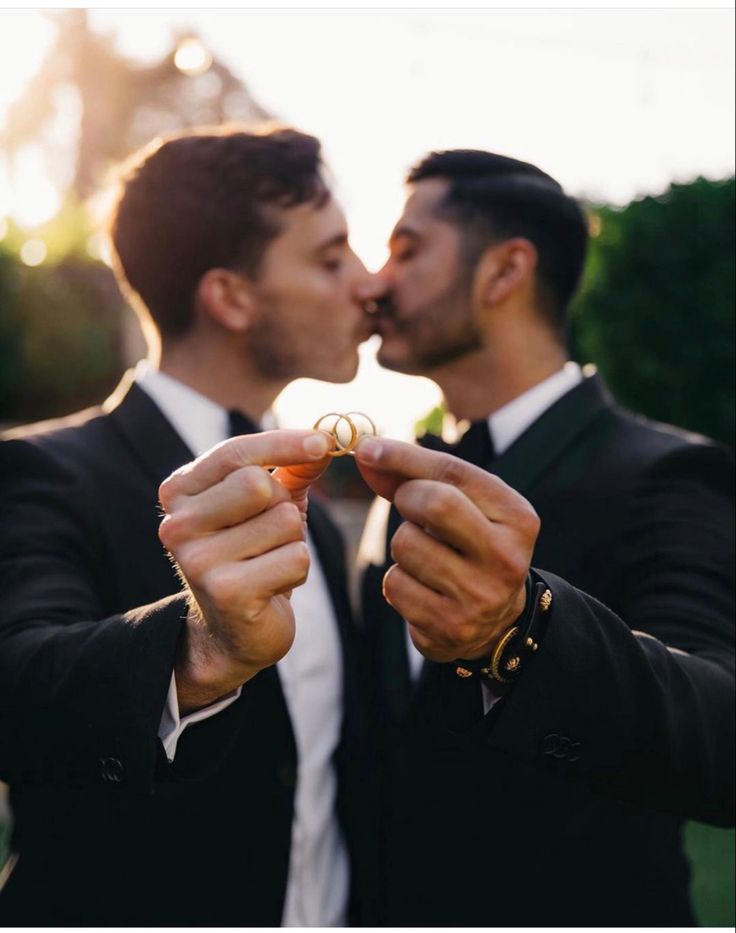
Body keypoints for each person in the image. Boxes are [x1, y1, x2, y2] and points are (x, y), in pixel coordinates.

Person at [0, 126, 383, 926]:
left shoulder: (334, 520)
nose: (368, 284)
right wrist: (199, 650)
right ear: (231, 297)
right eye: (332, 257)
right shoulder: (43, 472)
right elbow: (18, 689)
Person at [359, 149, 735, 925]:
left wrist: (522, 631)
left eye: (406, 249)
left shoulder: (669, 472)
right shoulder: (397, 485)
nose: (374, 283)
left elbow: (722, 735)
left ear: (503, 273)